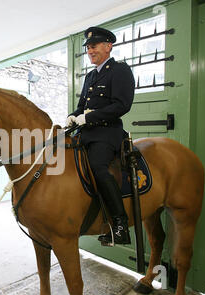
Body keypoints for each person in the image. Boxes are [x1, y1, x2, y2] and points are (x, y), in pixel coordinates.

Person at [66, 27, 135, 245]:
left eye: (94, 46)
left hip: (107, 132)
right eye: (88, 47)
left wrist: (91, 117)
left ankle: (120, 225)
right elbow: (81, 107)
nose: (90, 50)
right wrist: (72, 116)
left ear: (108, 46)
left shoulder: (120, 70)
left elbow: (122, 105)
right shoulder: (90, 76)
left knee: (98, 167)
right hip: (85, 132)